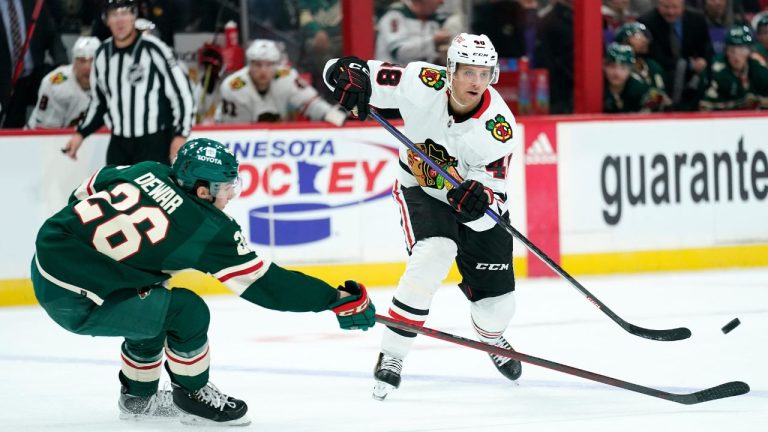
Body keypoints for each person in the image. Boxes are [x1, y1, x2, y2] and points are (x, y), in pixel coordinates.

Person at [31, 137, 376, 425]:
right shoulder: (207, 228)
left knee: (154, 305)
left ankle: (138, 401)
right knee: (187, 311)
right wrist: (332, 298)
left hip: (48, 257)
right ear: (202, 190)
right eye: (224, 187)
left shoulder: (146, 170)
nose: (230, 195)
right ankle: (192, 395)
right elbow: (266, 284)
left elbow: (82, 192)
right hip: (76, 299)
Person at [322, 32, 522, 401]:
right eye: (467, 72)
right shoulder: (419, 81)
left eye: (484, 73)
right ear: (449, 70)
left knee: (497, 310)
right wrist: (345, 75)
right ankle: (393, 355)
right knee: (435, 252)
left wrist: (479, 203)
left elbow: (492, 203)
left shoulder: (498, 129)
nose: (476, 82)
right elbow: (343, 70)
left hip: (477, 213)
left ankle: (492, 339)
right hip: (421, 188)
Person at [63, 0, 195, 165]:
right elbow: (99, 102)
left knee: (153, 191)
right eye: (114, 14)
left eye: (125, 13)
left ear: (134, 17)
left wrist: (180, 135)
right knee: (114, 190)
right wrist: (80, 134)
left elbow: (182, 94)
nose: (120, 20)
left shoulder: (155, 49)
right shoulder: (102, 54)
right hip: (119, 144)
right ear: (106, 20)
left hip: (155, 143)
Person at [217, 39, 347, 125]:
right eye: (258, 65)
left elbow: (311, 103)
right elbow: (237, 129)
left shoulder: (287, 76)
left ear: (276, 65)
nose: (263, 71)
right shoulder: (233, 86)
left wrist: (333, 115)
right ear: (249, 65)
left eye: (269, 65)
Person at [0, 0, 68, 128]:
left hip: (34, 75)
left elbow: (51, 34)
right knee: (10, 130)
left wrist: (62, 65)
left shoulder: (34, 2)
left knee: (62, 86)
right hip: (4, 82)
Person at [638, 0, 713, 110]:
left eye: (675, 7)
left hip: (693, 76)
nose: (671, 12)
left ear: (683, 6)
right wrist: (688, 65)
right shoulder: (646, 22)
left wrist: (703, 61)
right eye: (666, 7)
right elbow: (655, 56)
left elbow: (707, 48)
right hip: (663, 74)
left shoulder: (698, 19)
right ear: (658, 5)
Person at [26, 37, 101, 129]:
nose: (87, 67)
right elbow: (46, 130)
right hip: (43, 136)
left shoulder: (111, 83)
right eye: (82, 61)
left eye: (92, 61)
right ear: (74, 63)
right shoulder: (56, 82)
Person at [700, 24, 768, 110]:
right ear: (726, 51)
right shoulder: (716, 70)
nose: (736, 55)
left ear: (749, 51)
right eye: (732, 50)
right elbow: (704, 106)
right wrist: (739, 104)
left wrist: (759, 101)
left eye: (741, 49)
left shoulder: (757, 66)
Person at [375, 0, 454, 65]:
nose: (441, 2)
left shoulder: (435, 20)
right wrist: (433, 41)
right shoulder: (396, 14)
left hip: (420, 78)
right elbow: (399, 51)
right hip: (391, 77)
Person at [603, 42, 669, 113]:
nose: (616, 73)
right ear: (604, 67)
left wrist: (646, 110)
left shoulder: (637, 86)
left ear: (631, 70)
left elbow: (662, 98)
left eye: (623, 67)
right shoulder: (596, 88)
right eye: (612, 66)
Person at [614, 22, 671, 97]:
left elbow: (663, 90)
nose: (644, 40)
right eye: (637, 36)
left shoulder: (653, 66)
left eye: (644, 36)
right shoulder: (617, 69)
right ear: (624, 42)